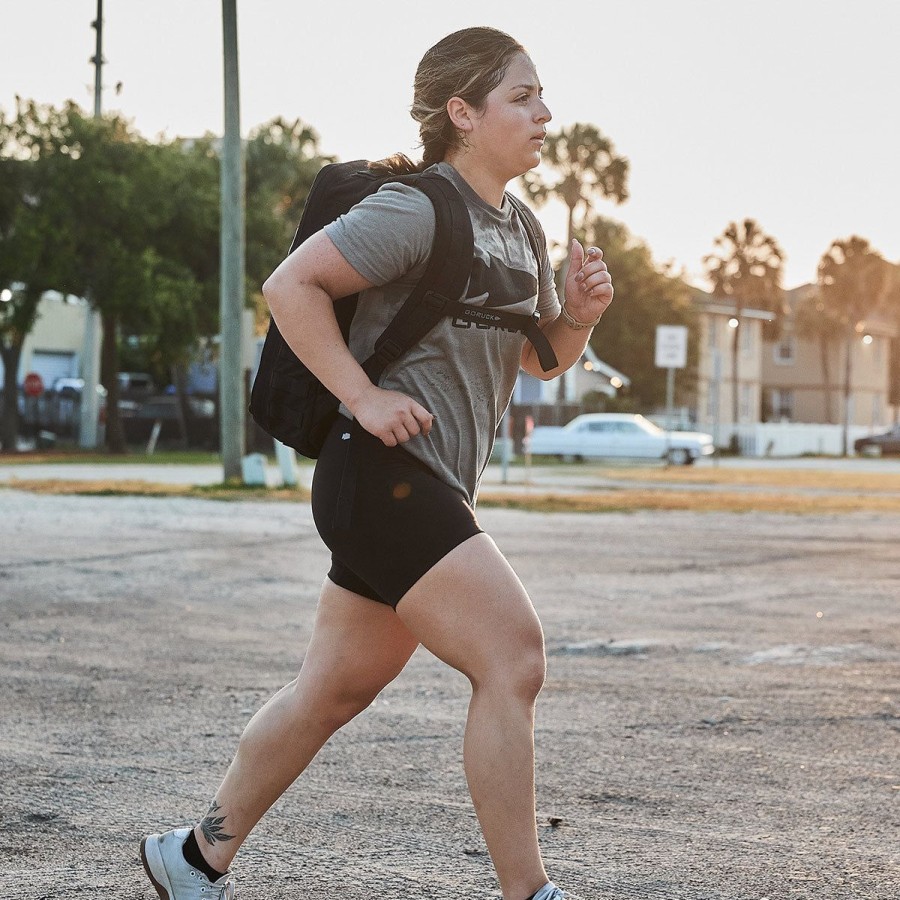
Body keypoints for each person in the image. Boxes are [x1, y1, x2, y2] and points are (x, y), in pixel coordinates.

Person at [141, 26, 614, 900]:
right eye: (523, 97)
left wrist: (578, 318)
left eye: (543, 96)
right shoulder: (415, 208)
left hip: (423, 483)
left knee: (332, 689)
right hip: (383, 474)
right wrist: (362, 396)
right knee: (513, 657)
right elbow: (290, 287)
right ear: (462, 114)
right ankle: (530, 894)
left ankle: (194, 856)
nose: (545, 114)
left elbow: (535, 358)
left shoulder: (524, 228)